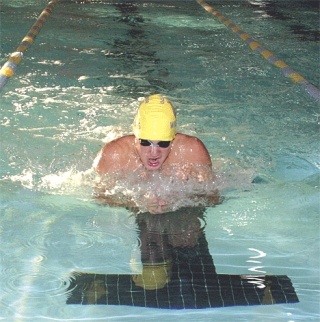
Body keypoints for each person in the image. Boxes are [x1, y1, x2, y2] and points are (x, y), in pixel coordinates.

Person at [93, 94, 220, 213]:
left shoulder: (192, 151)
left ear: (172, 140)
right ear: (135, 139)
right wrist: (137, 203)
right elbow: (100, 198)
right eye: (145, 142)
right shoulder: (114, 154)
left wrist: (179, 202)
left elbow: (213, 198)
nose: (154, 152)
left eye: (163, 143)